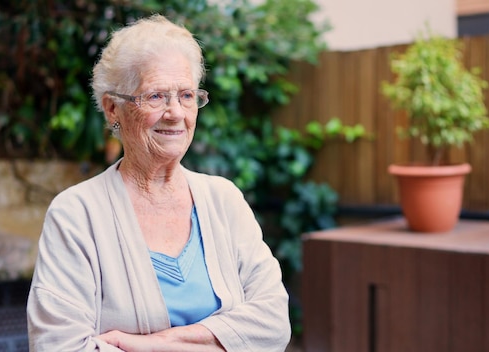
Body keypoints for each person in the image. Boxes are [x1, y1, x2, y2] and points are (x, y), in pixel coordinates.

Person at [26, 14, 291, 351]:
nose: (176, 113)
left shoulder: (224, 200)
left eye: (186, 95)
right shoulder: (77, 214)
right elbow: (58, 346)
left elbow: (274, 325)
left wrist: (152, 345)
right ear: (112, 109)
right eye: (155, 97)